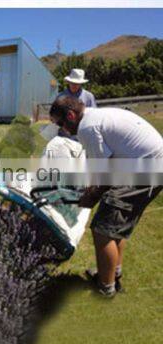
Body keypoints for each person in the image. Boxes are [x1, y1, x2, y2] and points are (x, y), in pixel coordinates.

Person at [49, 96, 163, 298]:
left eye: (61, 123)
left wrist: (91, 197)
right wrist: (92, 190)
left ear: (71, 115)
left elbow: (104, 173)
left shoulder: (86, 128)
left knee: (102, 229)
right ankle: (111, 272)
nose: (63, 129)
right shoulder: (94, 116)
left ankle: (106, 288)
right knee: (114, 225)